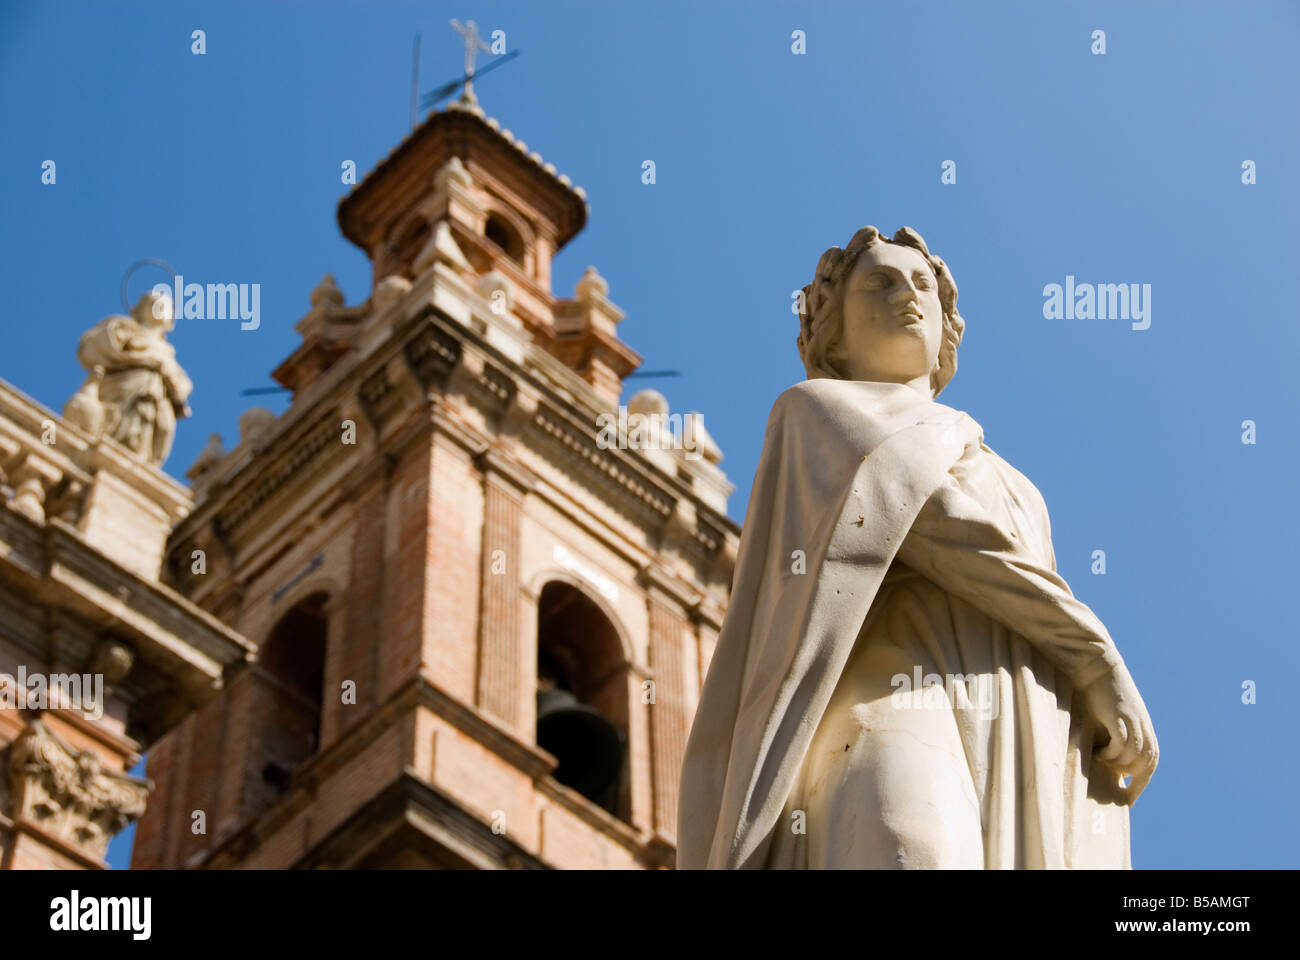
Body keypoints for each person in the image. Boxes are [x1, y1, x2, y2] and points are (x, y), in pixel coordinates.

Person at [677, 226, 1157, 869]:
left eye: (923, 284)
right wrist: (1097, 658)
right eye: (878, 282)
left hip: (1017, 717)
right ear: (834, 335)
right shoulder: (815, 411)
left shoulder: (1016, 484)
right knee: (905, 844)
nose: (907, 293)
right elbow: (942, 529)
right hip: (890, 699)